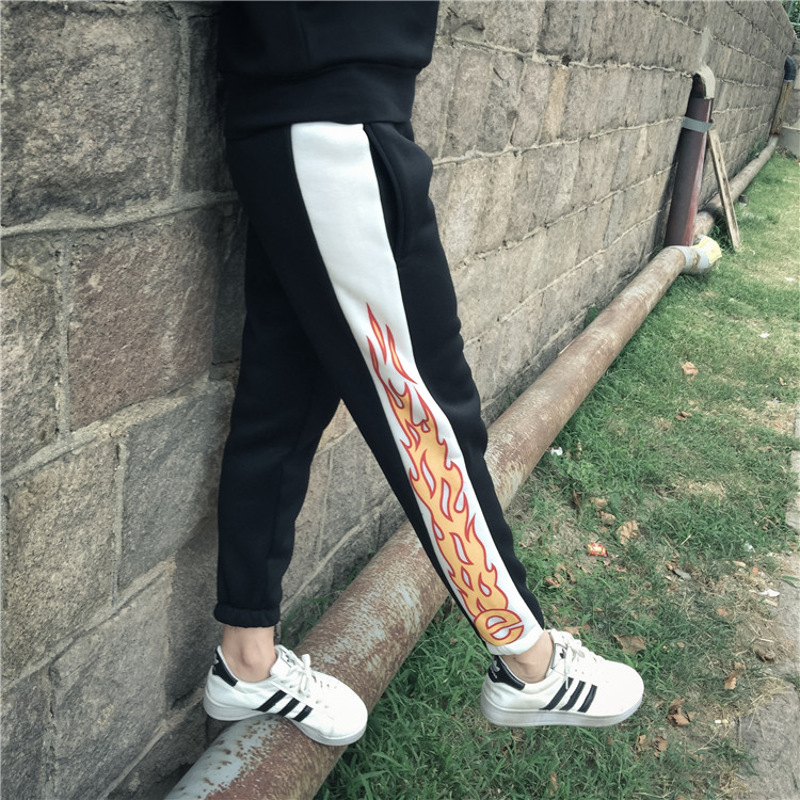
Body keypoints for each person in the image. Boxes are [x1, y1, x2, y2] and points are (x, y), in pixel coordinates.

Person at [203, 1, 643, 747]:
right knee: (426, 407)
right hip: (333, 115)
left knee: (283, 401)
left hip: (307, 102)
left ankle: (246, 663)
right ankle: (529, 664)